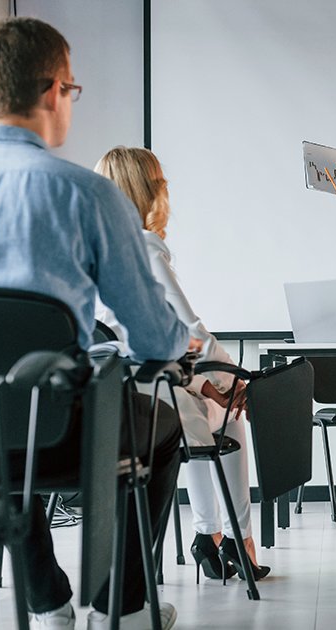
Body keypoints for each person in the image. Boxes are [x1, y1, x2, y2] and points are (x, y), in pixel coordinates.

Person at [0, 18, 186, 630]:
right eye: (72, 91)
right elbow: (152, 337)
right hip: (52, 438)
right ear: (53, 90)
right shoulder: (88, 196)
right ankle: (117, 608)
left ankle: (47, 604)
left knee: (1, 423)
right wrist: (177, 343)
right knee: (158, 425)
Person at [94, 147, 269, 581]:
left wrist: (205, 382)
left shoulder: (92, 250)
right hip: (155, 403)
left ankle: (207, 536)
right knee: (228, 419)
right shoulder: (145, 248)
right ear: (149, 190)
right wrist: (229, 379)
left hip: (112, 398)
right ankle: (237, 540)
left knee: (209, 411)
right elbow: (188, 327)